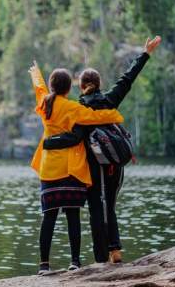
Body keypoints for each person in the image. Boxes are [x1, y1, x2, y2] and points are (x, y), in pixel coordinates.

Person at [28, 62, 124, 275]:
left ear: (53, 86)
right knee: (73, 217)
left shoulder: (45, 103)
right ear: (68, 88)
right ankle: (74, 262)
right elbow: (95, 116)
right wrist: (115, 116)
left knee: (48, 217)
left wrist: (36, 73)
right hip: (71, 169)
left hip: (49, 169)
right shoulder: (72, 107)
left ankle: (44, 265)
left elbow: (39, 89)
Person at [73, 36, 161, 264]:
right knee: (109, 206)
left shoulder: (79, 108)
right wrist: (145, 54)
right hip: (115, 165)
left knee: (96, 208)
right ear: (99, 84)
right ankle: (115, 251)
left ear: (82, 87)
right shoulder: (110, 100)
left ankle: (101, 259)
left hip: (93, 167)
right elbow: (127, 79)